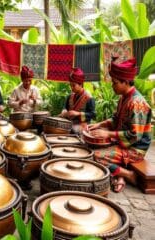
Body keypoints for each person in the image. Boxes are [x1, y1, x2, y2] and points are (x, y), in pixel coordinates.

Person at [88, 58, 152, 193]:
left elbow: (135, 136)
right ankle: (120, 175)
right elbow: (116, 119)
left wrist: (108, 134)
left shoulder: (137, 103)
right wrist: (100, 124)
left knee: (95, 156)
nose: (112, 85)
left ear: (126, 82)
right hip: (123, 144)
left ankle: (129, 175)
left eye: (115, 83)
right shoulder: (124, 97)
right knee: (89, 145)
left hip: (135, 150)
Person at [60, 67, 96, 134]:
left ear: (81, 84)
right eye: (70, 85)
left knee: (73, 130)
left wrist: (78, 114)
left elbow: (93, 115)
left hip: (82, 125)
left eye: (73, 85)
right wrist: (64, 110)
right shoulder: (70, 96)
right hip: (70, 123)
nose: (71, 88)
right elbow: (65, 107)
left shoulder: (89, 98)